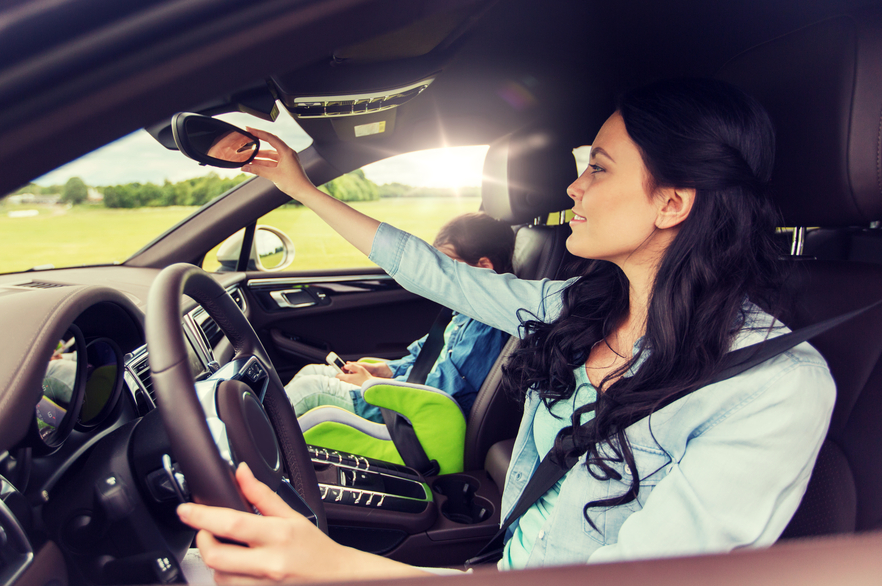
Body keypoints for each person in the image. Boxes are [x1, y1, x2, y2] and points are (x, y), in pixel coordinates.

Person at [175, 79, 835, 581]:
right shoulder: (578, 306)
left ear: (672, 202)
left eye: (598, 167)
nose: (573, 188)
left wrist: (342, 569)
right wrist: (304, 188)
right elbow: (435, 274)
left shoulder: (773, 387)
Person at [284, 212, 513, 423]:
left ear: (484, 267)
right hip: (409, 397)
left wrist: (372, 385)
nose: (437, 276)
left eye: (446, 265)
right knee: (311, 372)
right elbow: (423, 359)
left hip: (416, 418)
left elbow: (442, 389)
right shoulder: (463, 312)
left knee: (309, 390)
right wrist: (387, 370)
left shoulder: (486, 328)